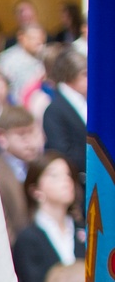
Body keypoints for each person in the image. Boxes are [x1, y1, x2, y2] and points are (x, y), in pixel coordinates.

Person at [12, 153, 86, 282]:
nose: (66, 181)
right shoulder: (29, 239)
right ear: (35, 190)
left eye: (68, 175)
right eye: (54, 175)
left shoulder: (85, 231)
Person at [0, 105, 43, 244]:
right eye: (21, 135)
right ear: (1, 137)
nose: (30, 142)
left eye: (32, 132)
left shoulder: (42, 165)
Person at [42, 47, 88, 182]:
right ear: (69, 76)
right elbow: (62, 151)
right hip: (80, 179)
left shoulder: (87, 99)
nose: (90, 78)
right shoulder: (54, 110)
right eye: (84, 74)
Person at [0, 22, 47, 103]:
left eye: (41, 39)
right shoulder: (8, 59)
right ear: (21, 38)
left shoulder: (45, 55)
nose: (39, 42)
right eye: (33, 38)